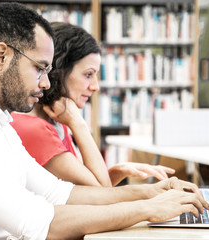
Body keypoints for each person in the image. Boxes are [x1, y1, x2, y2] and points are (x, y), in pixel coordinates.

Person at [0, 3, 209, 240]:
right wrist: (147, 208)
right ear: (1, 56)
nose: (46, 84)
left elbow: (61, 194)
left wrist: (150, 192)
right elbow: (41, 224)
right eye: (40, 68)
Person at [11, 22, 175, 187]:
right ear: (58, 72)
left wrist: (118, 171)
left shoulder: (58, 118)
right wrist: (79, 124)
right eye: (88, 74)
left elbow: (87, 188)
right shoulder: (35, 129)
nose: (95, 86)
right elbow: (101, 193)